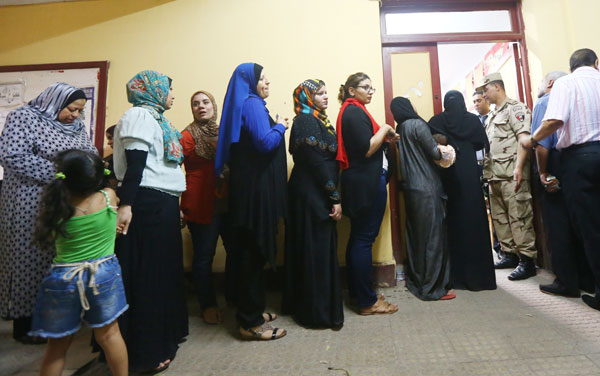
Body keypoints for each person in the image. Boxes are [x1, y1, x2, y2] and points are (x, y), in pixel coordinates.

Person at [0, 82, 96, 344]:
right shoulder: (24, 117)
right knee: (28, 259)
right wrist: (62, 174)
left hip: (63, 203)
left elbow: (90, 153)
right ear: (55, 101)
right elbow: (12, 155)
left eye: (79, 110)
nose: (75, 115)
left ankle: (55, 321)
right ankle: (27, 324)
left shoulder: (75, 126)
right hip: (28, 202)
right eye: (71, 109)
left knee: (55, 260)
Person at [111, 70, 188, 371]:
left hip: (163, 201)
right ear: (153, 90)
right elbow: (136, 165)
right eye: (168, 89)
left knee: (164, 272)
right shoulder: (140, 116)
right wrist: (127, 204)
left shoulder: (157, 119)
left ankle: (165, 337)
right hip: (146, 202)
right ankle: (146, 351)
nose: (172, 95)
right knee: (149, 276)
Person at [31, 149, 128, 376]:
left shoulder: (57, 207)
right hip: (103, 273)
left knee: (56, 347)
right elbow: (111, 229)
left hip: (64, 277)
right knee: (110, 335)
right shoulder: (107, 197)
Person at [520, 48, 600, 310]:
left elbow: (553, 122)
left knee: (589, 227)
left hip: (580, 159)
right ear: (596, 63)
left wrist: (531, 140)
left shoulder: (566, 84)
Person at [215, 63, 288, 340]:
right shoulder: (253, 105)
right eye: (263, 77)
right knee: (252, 254)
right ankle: (250, 323)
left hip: (247, 191)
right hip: (256, 194)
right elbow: (265, 143)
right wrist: (281, 126)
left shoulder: (243, 104)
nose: (267, 81)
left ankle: (252, 310)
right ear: (251, 81)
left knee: (247, 252)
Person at [282, 79, 343, 329]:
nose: (325, 97)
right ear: (307, 97)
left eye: (326, 92)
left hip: (317, 190)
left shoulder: (320, 120)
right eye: (319, 93)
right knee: (314, 250)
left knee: (317, 249)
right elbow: (315, 162)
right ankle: (316, 313)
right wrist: (334, 197)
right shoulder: (305, 120)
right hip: (311, 193)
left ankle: (318, 308)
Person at [336, 72, 399, 314]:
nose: (371, 91)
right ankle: (366, 302)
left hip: (363, 182)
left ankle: (359, 295)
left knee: (359, 239)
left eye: (372, 88)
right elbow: (366, 148)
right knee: (363, 240)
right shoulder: (353, 111)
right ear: (351, 90)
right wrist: (384, 128)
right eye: (365, 87)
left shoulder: (354, 110)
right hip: (365, 184)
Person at [529, 70, 594, 297]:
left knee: (559, 226)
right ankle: (588, 279)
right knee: (584, 224)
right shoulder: (584, 96)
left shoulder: (544, 102)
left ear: (550, 83)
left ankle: (567, 281)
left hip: (555, 164)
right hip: (579, 162)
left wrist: (542, 173)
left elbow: (542, 144)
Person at [428, 91, 496, 291]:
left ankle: (456, 278)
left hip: (449, 176)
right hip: (470, 176)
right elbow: (481, 144)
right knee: (474, 222)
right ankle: (481, 279)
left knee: (454, 224)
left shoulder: (438, 120)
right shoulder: (472, 121)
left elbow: (430, 142)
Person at [180, 90, 237, 324]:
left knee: (237, 251)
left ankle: (235, 298)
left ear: (214, 106)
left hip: (229, 200)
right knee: (204, 256)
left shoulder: (225, 132)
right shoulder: (186, 135)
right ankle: (208, 305)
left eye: (205, 102)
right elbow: (174, 169)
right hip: (201, 202)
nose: (201, 107)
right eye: (195, 104)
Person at [391, 97, 454, 301]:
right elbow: (435, 154)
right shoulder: (418, 124)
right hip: (428, 187)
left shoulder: (401, 129)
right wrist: (446, 149)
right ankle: (432, 288)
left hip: (411, 188)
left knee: (417, 238)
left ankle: (418, 282)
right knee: (433, 239)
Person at [477, 72, 537, 281]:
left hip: (513, 174)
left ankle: (527, 260)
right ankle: (509, 254)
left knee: (519, 217)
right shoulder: (492, 116)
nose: (484, 95)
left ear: (497, 87)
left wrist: (519, 168)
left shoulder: (516, 108)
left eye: (485, 90)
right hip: (495, 176)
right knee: (501, 219)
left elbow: (524, 140)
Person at [473, 91, 502, 257]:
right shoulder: (474, 121)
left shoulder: (494, 117)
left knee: (496, 208)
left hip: (495, 166)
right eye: (474, 101)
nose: (476, 104)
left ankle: (501, 248)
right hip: (478, 168)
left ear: (486, 100)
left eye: (479, 100)